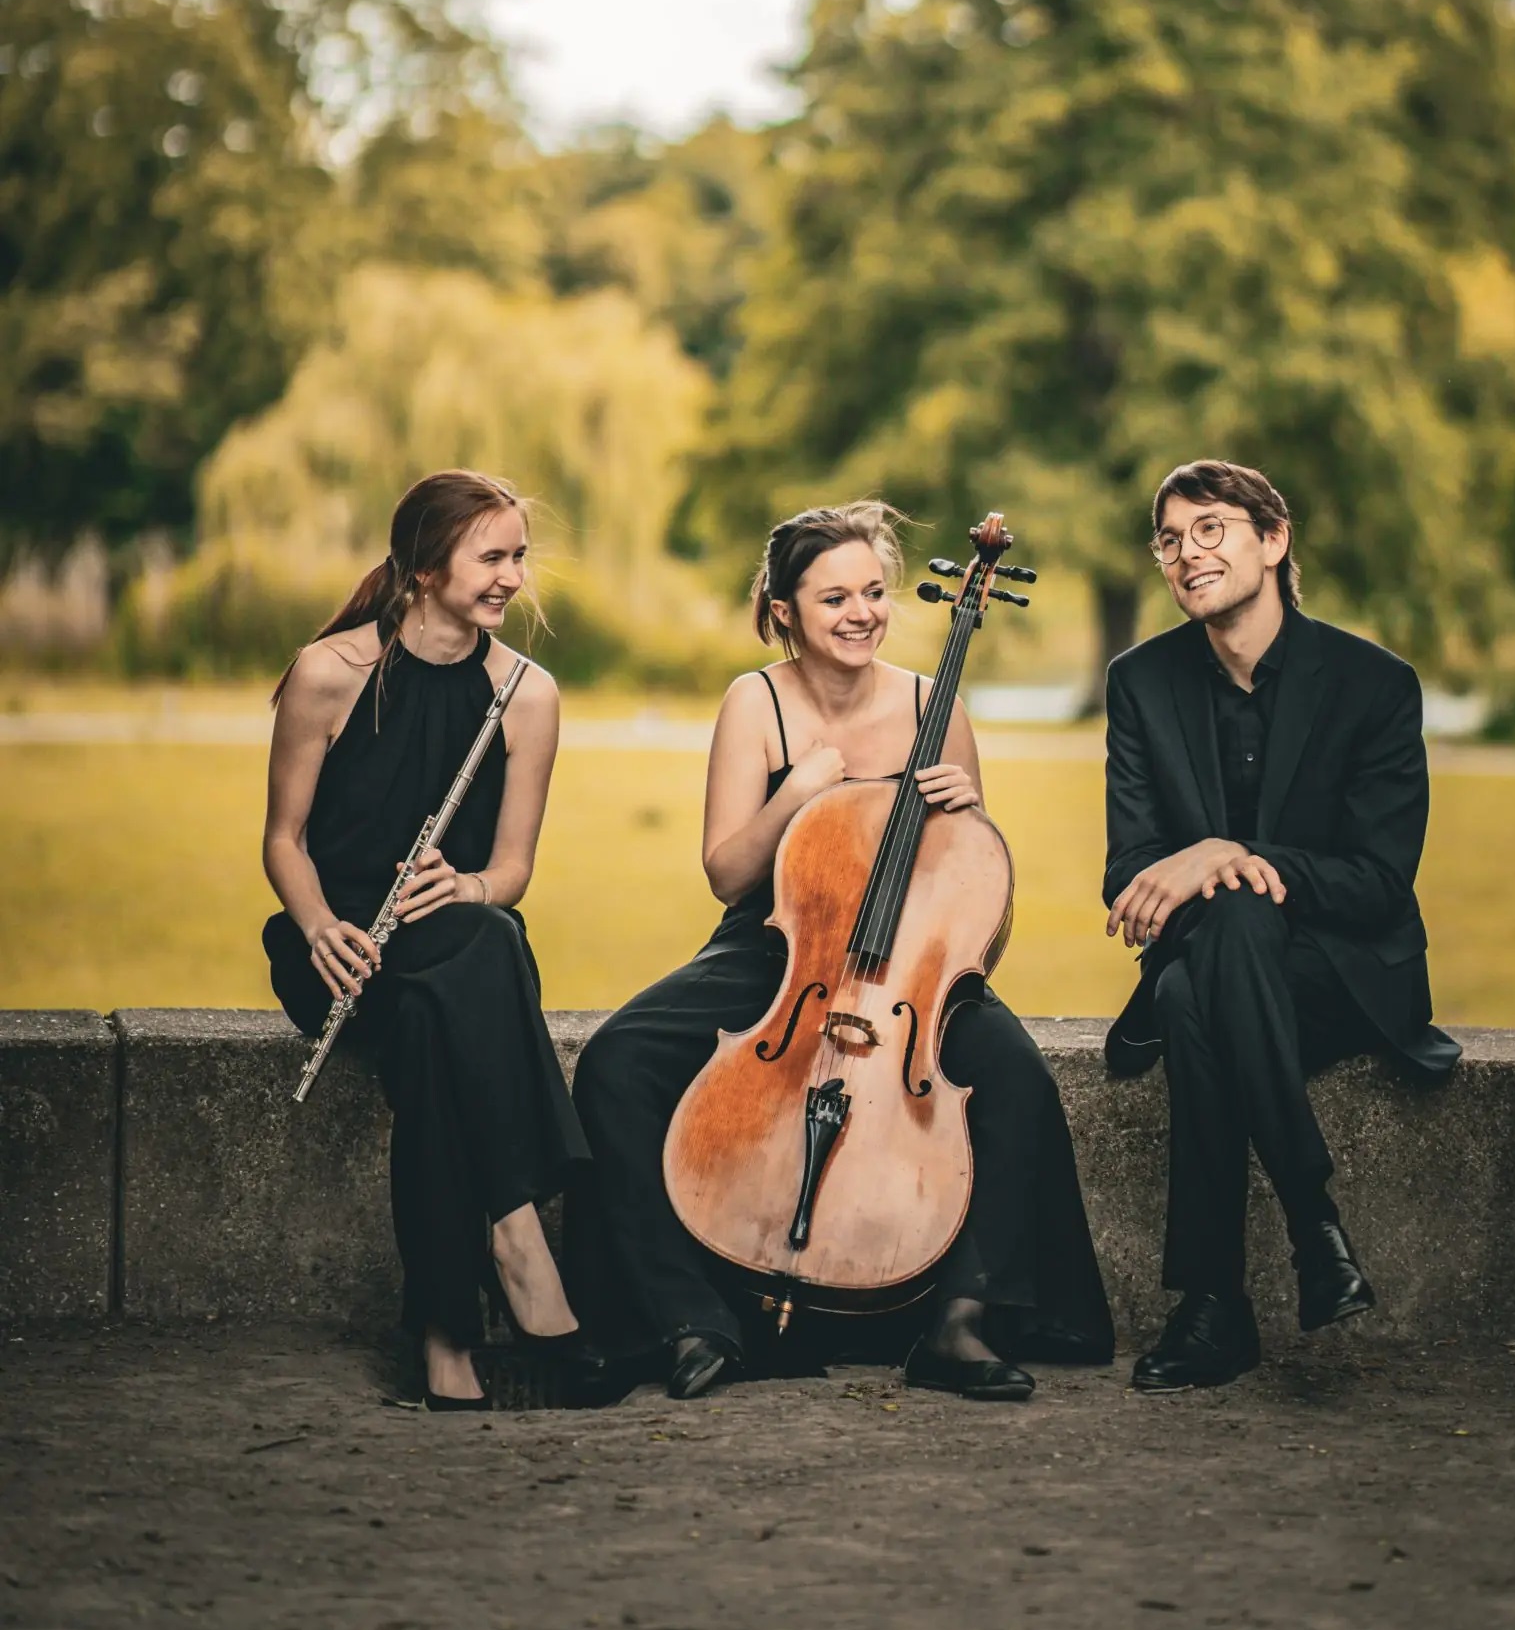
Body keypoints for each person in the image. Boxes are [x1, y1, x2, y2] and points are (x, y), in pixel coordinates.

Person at [573, 500, 1113, 1402]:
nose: (860, 613)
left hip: (913, 966)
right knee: (617, 1063)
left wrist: (964, 813)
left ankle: (960, 1322)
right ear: (783, 608)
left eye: (873, 593)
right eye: (833, 598)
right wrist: (799, 793)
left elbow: (975, 897)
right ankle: (689, 1321)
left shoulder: (930, 704)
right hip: (777, 946)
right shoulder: (756, 702)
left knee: (1016, 1076)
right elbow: (726, 872)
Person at [1102, 458, 1460, 1392]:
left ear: (1273, 539)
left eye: (1211, 528)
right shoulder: (1140, 683)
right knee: (1204, 964)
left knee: (1205, 963)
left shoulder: (1374, 683)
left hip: (1343, 973)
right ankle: (1312, 1229)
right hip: (1228, 965)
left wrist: (1223, 856)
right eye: (1170, 540)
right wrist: (1199, 867)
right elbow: (1127, 874)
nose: (1187, 553)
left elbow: (1378, 882)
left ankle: (1215, 1303)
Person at [262, 469, 600, 1412]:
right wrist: (320, 925)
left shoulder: (526, 694)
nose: (511, 578)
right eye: (490, 557)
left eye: (518, 557)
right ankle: (518, 1232)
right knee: (491, 952)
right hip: (339, 943)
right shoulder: (329, 672)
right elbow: (283, 842)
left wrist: (470, 885)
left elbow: (512, 869)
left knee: (461, 973)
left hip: (447, 930)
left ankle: (446, 1331)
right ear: (422, 568)